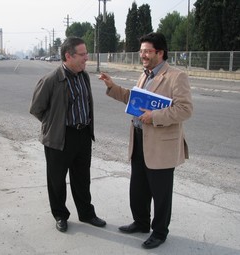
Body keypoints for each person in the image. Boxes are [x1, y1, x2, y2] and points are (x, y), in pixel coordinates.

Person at [99, 32, 193, 249]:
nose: (142, 55)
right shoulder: (146, 75)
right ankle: (141, 223)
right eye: (141, 51)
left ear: (160, 53)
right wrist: (112, 87)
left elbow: (185, 110)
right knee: (138, 186)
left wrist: (155, 117)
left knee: (160, 193)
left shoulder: (176, 77)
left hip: (161, 144)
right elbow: (134, 99)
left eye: (147, 51)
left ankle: (159, 232)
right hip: (139, 139)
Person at [30, 36, 106, 233]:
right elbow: (37, 109)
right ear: (68, 56)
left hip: (83, 136)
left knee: (82, 179)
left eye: (86, 54)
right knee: (56, 180)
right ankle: (60, 215)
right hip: (59, 138)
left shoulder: (84, 76)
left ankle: (87, 214)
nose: (86, 58)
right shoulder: (50, 80)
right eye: (82, 54)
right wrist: (54, 126)